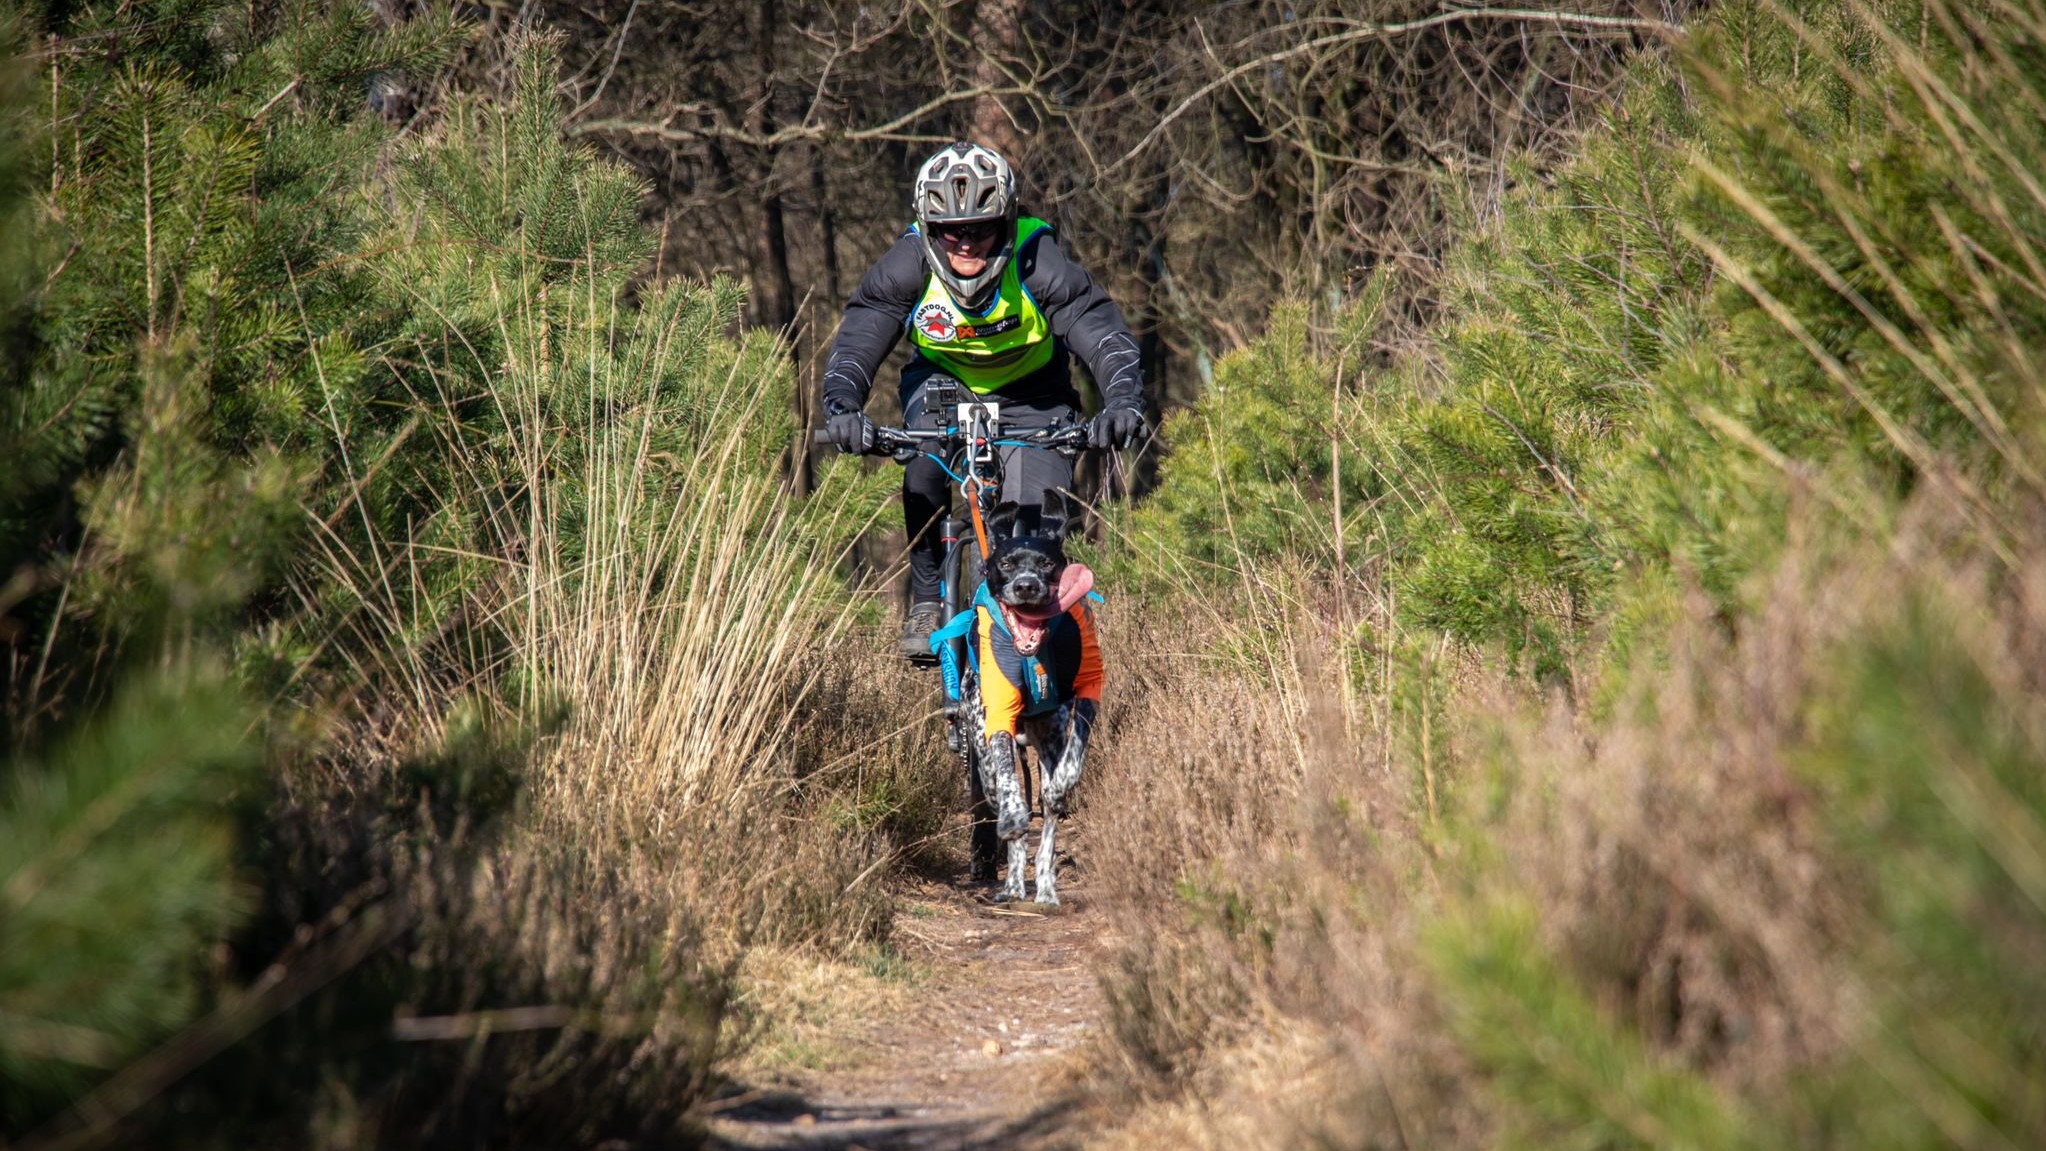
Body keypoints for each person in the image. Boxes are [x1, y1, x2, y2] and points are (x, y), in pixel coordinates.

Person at [820, 141, 1148, 659]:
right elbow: (860, 336)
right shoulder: (907, 265)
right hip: (943, 382)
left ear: (1007, 221)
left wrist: (1122, 400)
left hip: (1032, 394)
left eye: (981, 228)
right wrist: (842, 407)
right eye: (951, 230)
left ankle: (1029, 647)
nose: (965, 243)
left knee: (1034, 520)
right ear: (929, 229)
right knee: (926, 466)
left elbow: (1098, 330)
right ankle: (928, 595)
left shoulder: (1038, 261)